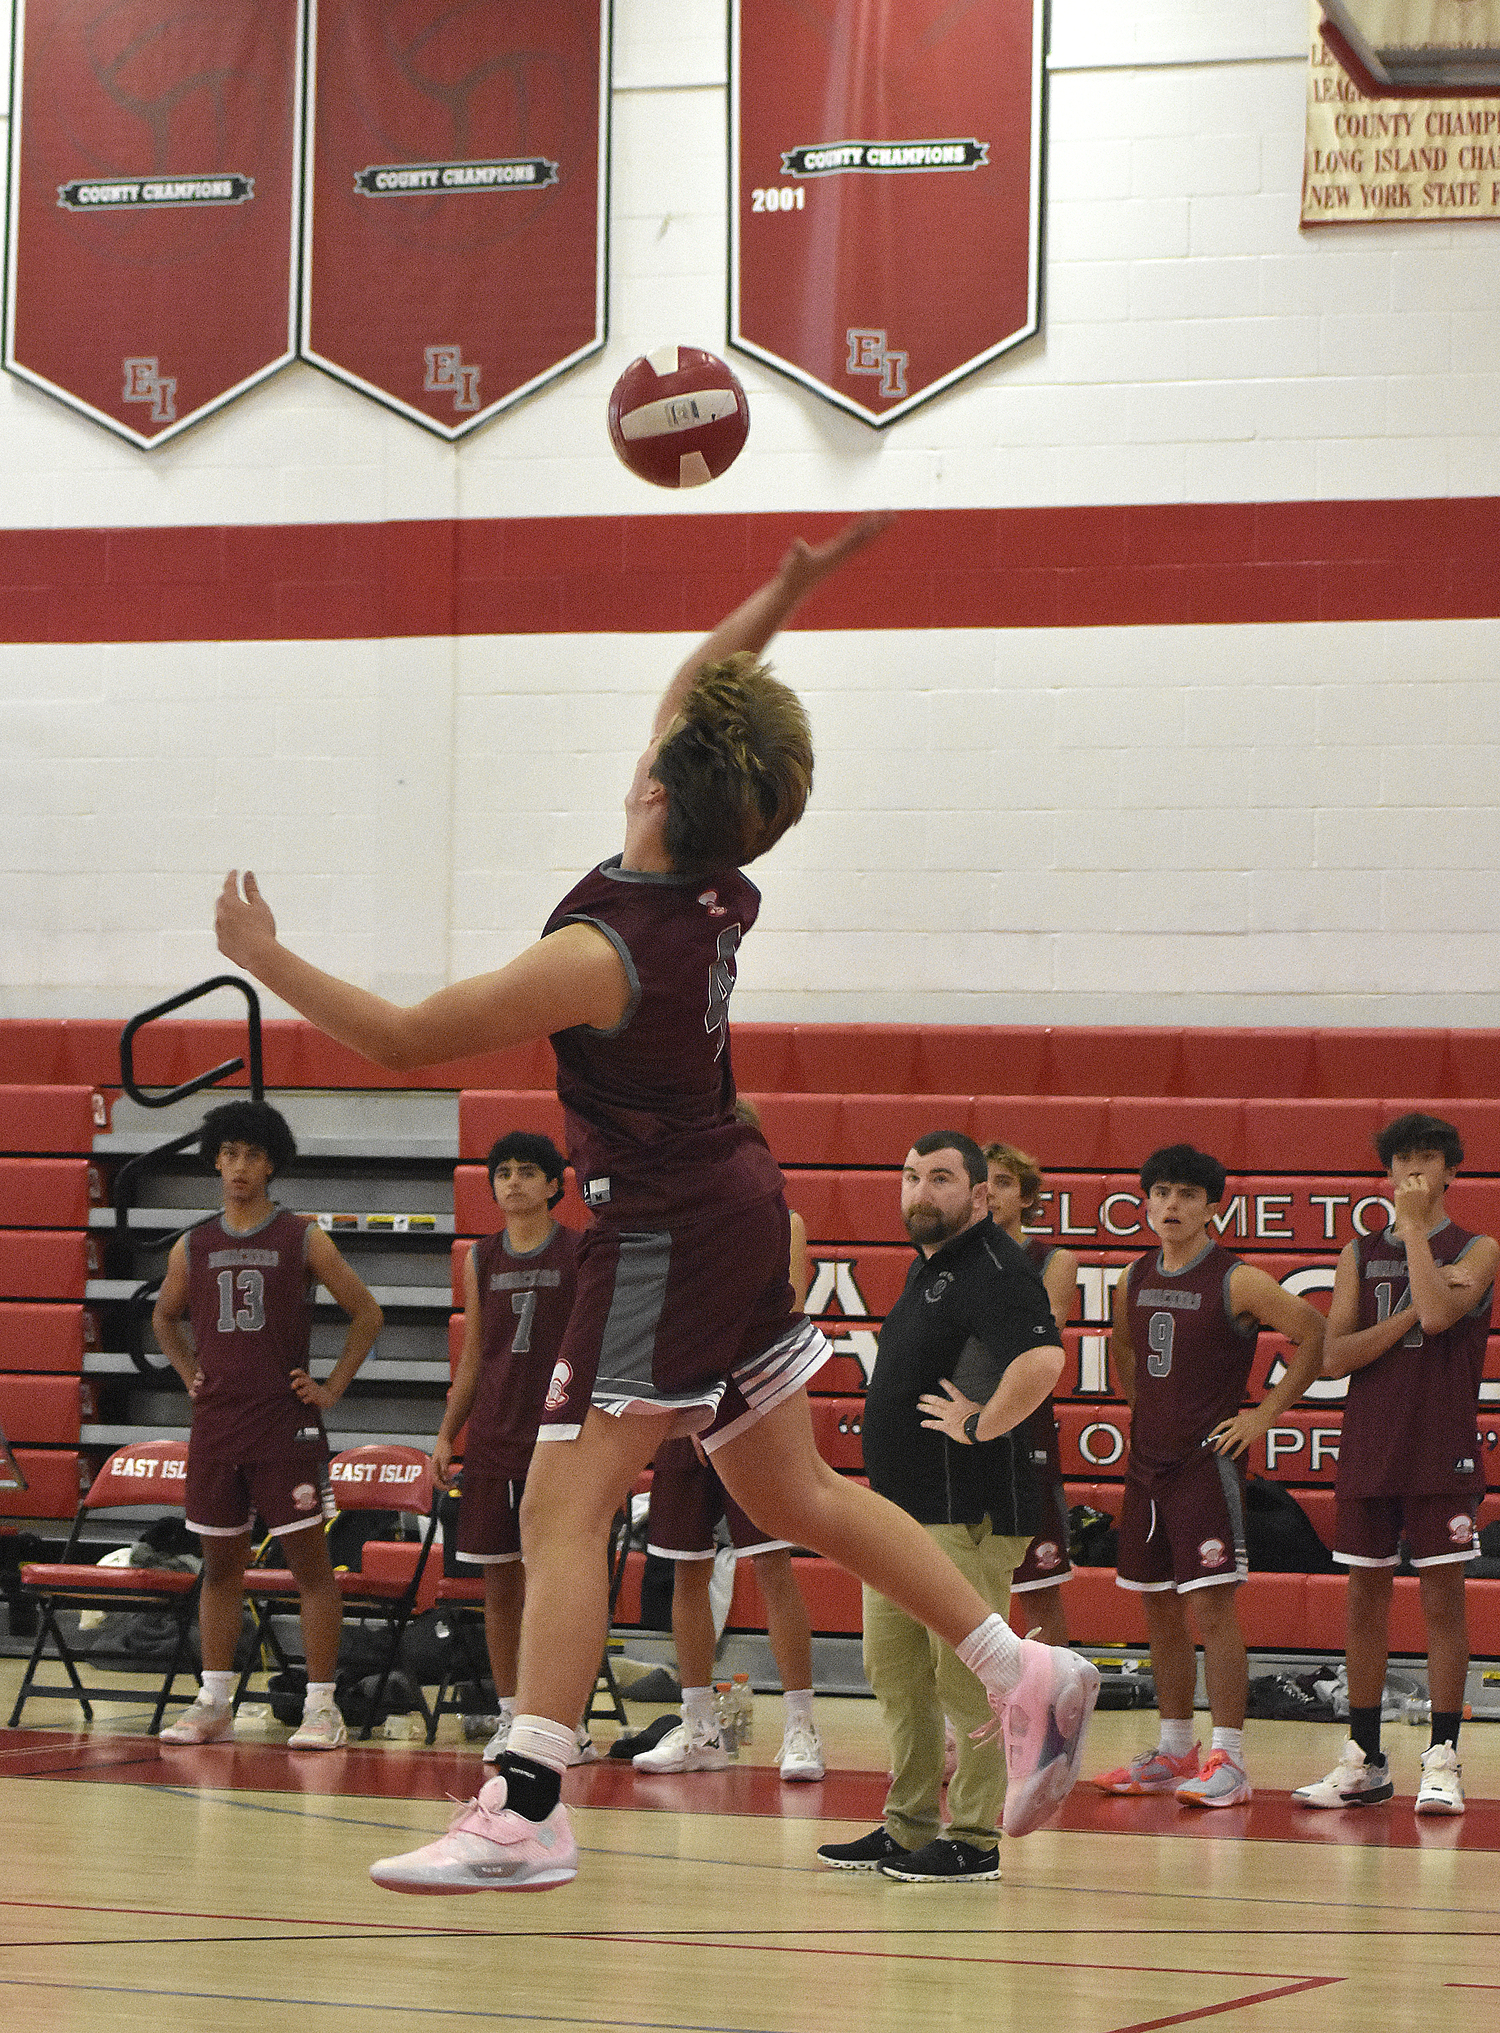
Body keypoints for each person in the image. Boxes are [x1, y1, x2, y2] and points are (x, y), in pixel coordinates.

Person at [214, 514, 1100, 1895]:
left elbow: (398, 1040)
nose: (648, 733)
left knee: (567, 1497)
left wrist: (267, 958)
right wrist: (787, 592)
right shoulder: (711, 887)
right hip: (734, 1191)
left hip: (666, 1224)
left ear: (654, 790)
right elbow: (700, 684)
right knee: (794, 1486)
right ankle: (1020, 1662)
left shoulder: (602, 951)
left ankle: (524, 1799)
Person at [817, 1132, 1068, 1883]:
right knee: (895, 1672)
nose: (921, 1192)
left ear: (980, 1195)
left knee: (967, 1678)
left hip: (967, 1513)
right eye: (911, 1176)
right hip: (900, 1516)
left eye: (940, 1179)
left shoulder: (994, 1267)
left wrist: (980, 1424)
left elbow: (1043, 1358)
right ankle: (909, 1824)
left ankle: (975, 1837)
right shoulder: (933, 1269)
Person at [1090, 1143, 1324, 1809]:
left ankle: (1232, 1760)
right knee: (1157, 1606)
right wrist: (1149, 1417)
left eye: (1187, 1194)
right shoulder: (1132, 1276)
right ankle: (1173, 1750)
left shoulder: (1237, 1279)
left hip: (1204, 1465)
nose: (1171, 1204)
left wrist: (1263, 1418)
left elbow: (1311, 1330)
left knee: (1213, 1608)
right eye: (1161, 1191)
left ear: (1211, 1206)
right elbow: (1125, 1352)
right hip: (1147, 1464)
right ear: (1146, 1200)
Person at [152, 1099, 384, 1750]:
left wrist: (332, 1386)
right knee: (221, 1568)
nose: (238, 1167)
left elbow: (366, 1312)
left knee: (311, 1567)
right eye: (228, 1154)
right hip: (217, 1428)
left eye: (251, 1154)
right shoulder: (192, 1244)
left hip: (286, 1427)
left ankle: (320, 1706)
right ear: (214, 1162)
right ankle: (214, 1700)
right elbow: (164, 1317)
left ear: (271, 1162)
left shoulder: (302, 1237)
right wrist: (187, 1372)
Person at [1293, 1113, 1498, 1818]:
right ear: (1387, 1172)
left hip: (1441, 1444)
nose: (1413, 1170)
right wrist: (1405, 1316)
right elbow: (1334, 1356)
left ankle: (1442, 1756)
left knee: (1442, 1603)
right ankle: (1364, 1757)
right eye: (1401, 1159)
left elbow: (1442, 1317)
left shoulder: (1479, 1246)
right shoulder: (1357, 1252)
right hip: (1371, 1445)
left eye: (1426, 1158)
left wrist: (1413, 1234)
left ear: (1449, 1170)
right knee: (1363, 1603)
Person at [635, 1115, 823, 1782]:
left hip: (753, 1403)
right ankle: (699, 1727)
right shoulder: (671, 1225)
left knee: (772, 1564)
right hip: (684, 1402)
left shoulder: (781, 1222)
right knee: (684, 1568)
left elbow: (782, 1312)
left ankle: (801, 1726)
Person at [432, 1131, 591, 1767]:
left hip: (555, 1438)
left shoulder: (580, 1253)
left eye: (529, 1171)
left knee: (558, 1583)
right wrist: (448, 1430)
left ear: (556, 1185)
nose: (514, 1182)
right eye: (504, 1172)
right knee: (500, 1582)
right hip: (494, 1436)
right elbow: (474, 1354)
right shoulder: (481, 1257)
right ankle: (508, 1713)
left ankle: (563, 1721)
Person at [985, 1141, 1079, 1645]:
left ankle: (1055, 1716)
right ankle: (971, 1713)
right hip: (963, 1433)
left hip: (1024, 1435)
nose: (991, 1193)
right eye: (984, 1183)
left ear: (1026, 1197)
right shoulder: (947, 1258)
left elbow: (1037, 1348)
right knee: (965, 1584)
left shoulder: (1054, 1261)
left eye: (1004, 1183)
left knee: (1039, 1587)